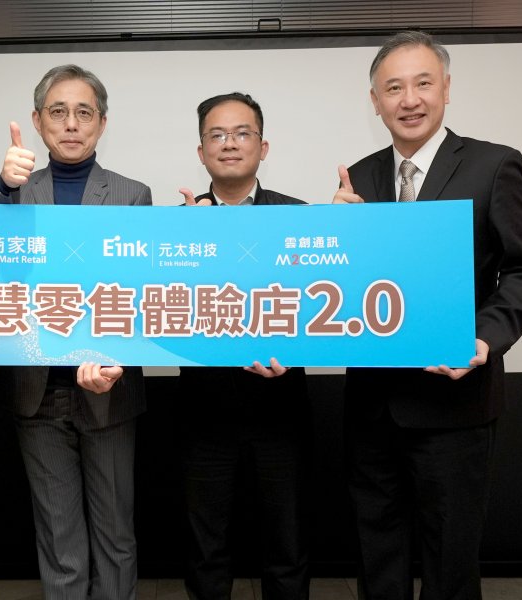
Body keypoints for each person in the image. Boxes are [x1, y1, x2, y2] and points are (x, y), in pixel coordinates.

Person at [333, 31, 522, 600]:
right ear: (375, 101)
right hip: (372, 406)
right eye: (393, 88)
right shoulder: (359, 177)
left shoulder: (493, 164)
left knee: (450, 563)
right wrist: (337, 236)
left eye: (423, 83)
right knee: (377, 557)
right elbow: (349, 287)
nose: (409, 99)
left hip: (456, 404)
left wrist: (483, 338)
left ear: (446, 89)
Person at [0, 64, 149, 600]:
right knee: (60, 541)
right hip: (38, 392)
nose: (71, 124)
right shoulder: (11, 191)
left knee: (116, 536)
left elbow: (137, 291)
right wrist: (3, 191)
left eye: (84, 112)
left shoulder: (131, 195)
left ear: (102, 123)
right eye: (58, 112)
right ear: (37, 122)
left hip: (109, 389)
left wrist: (114, 357)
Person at [177, 92, 311, 600]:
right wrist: (187, 251)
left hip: (281, 410)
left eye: (241, 133)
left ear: (263, 146)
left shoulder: (300, 217)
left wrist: (352, 231)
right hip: (204, 413)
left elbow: (321, 309)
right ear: (201, 151)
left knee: (287, 545)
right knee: (205, 548)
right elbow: (157, 311)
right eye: (217, 135)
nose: (229, 143)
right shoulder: (177, 225)